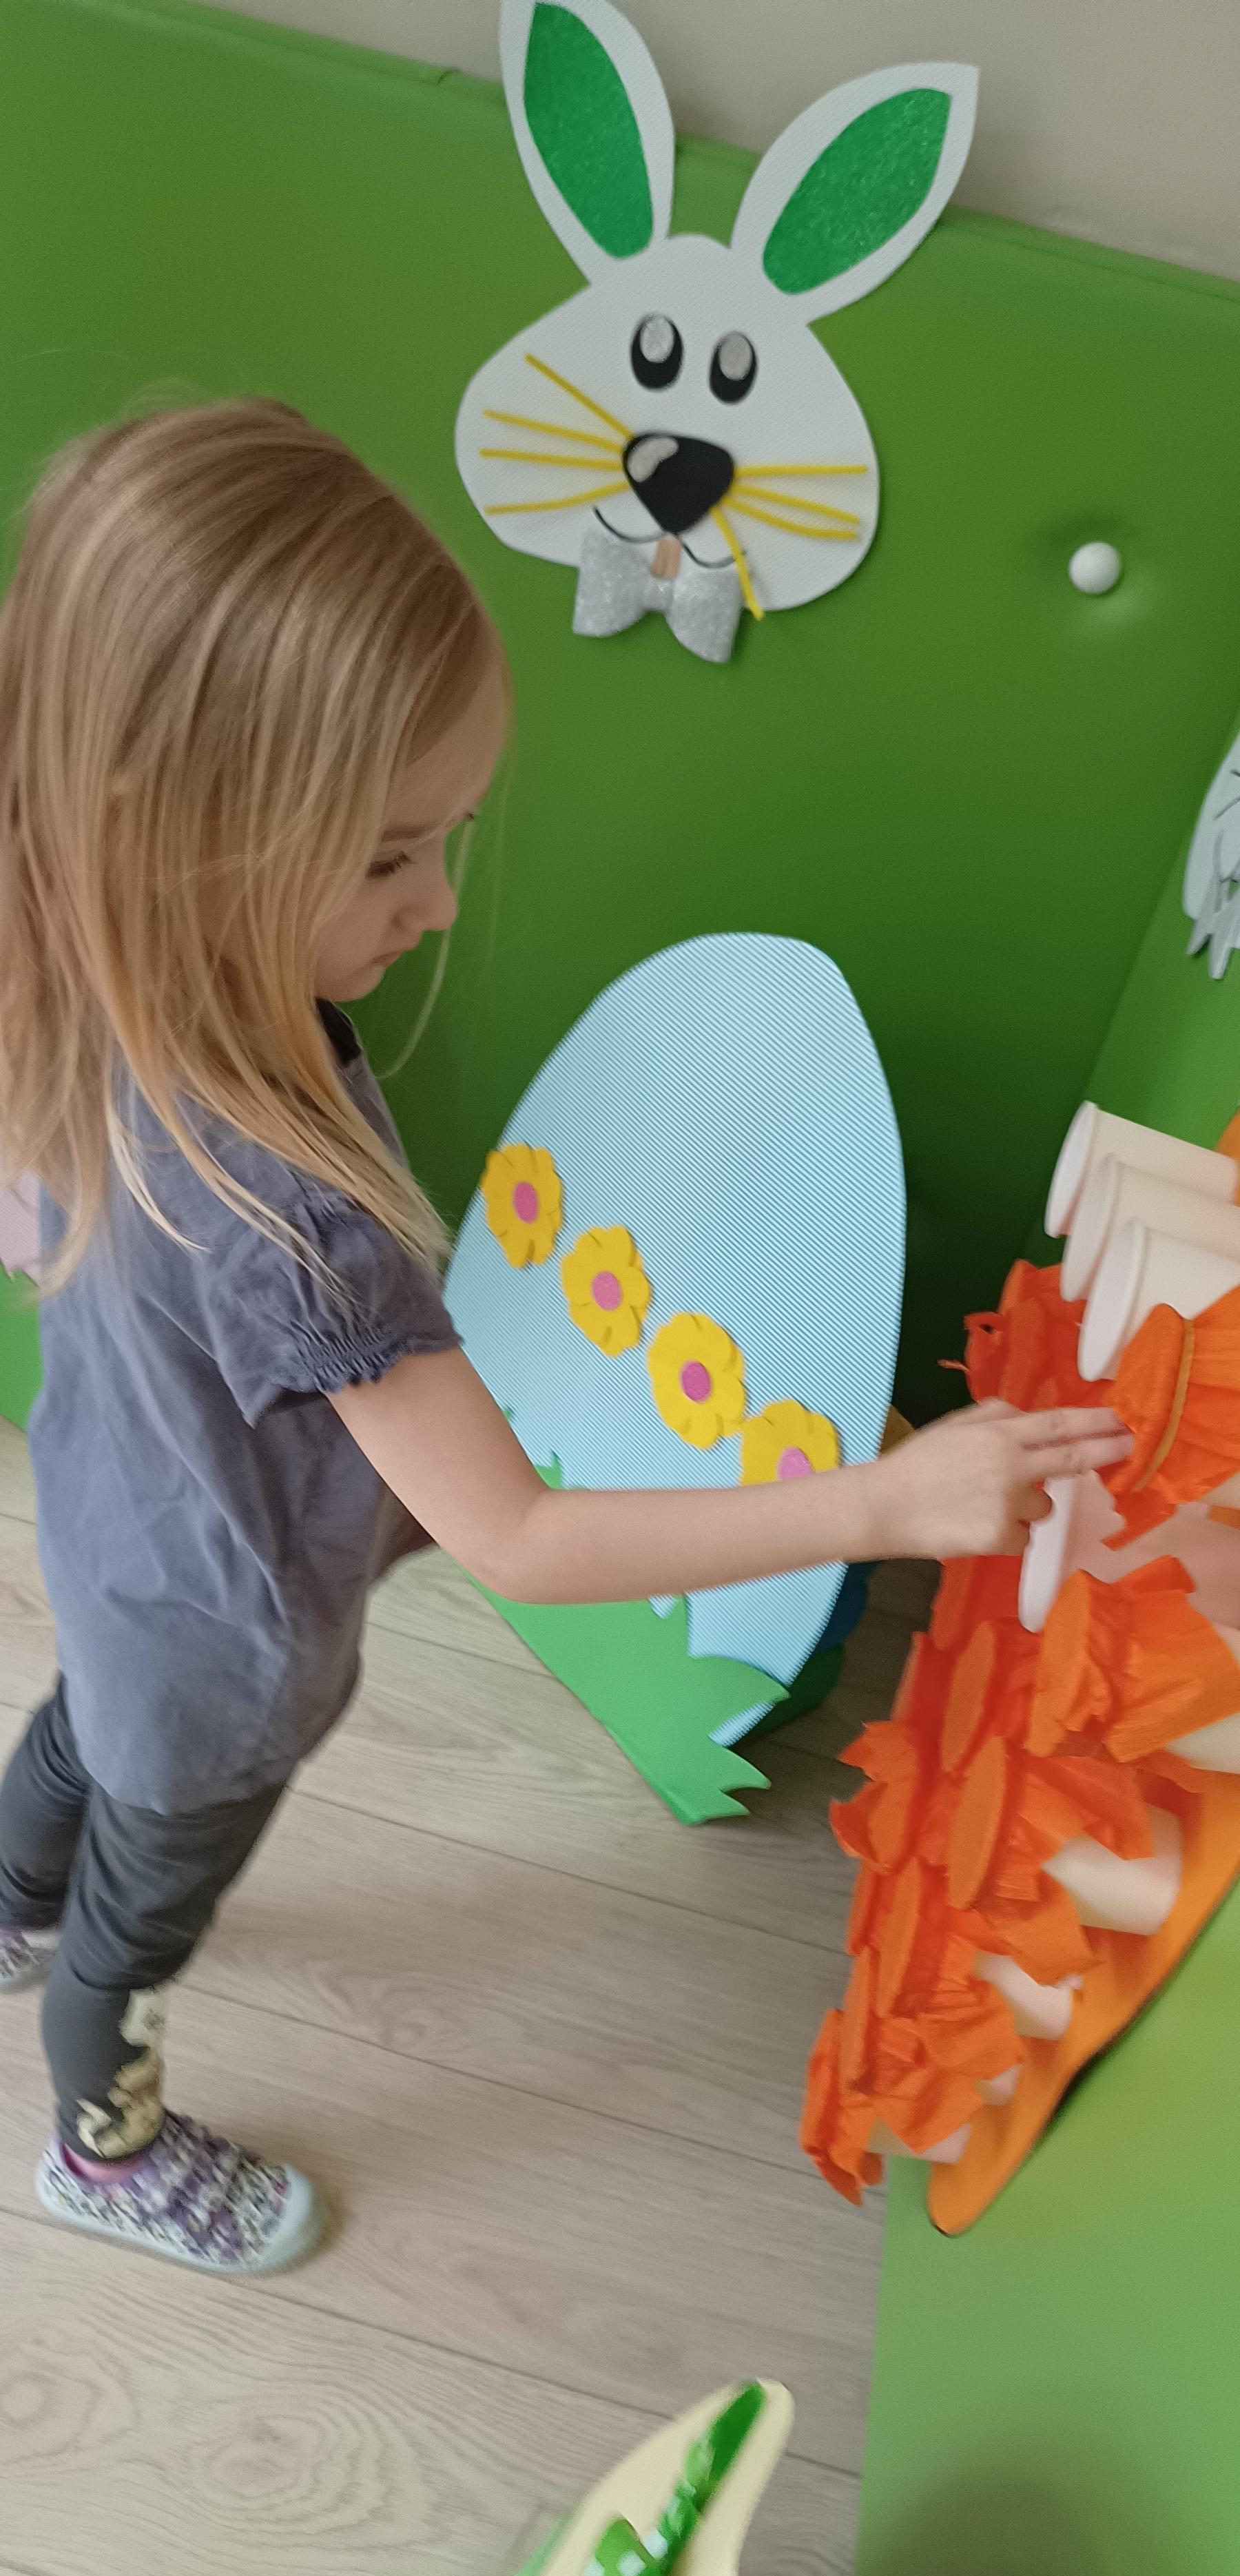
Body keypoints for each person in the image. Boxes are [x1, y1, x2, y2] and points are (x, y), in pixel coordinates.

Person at [0, 402, 1130, 2278]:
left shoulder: (69, 956)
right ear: (171, 828)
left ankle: (9, 1896)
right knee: (143, 1904)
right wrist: (885, 1505)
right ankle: (98, 2147)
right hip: (220, 1647)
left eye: (444, 839)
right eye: (389, 856)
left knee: (79, 1742)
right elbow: (521, 1539)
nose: (440, 901)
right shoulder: (304, 1226)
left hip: (116, 1528)